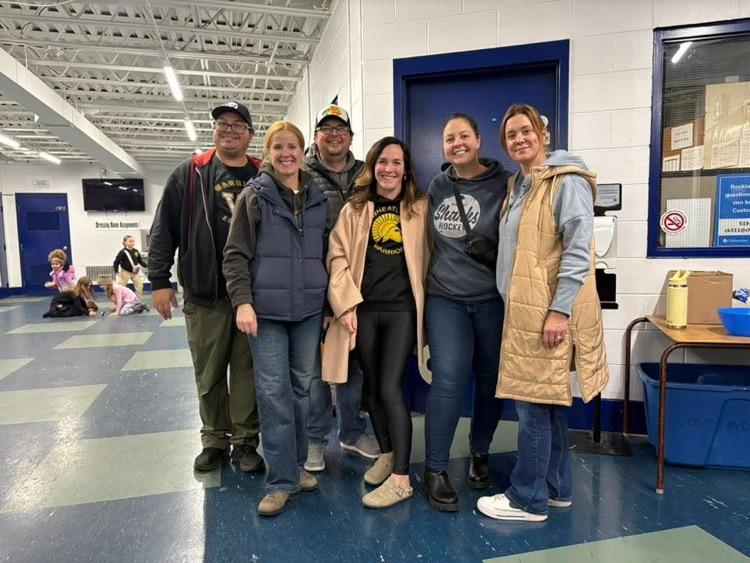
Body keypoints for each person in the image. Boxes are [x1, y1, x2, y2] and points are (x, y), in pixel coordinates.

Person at [476, 103, 608, 522]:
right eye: (511, 134)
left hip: (544, 311)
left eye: (525, 131)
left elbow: (577, 251)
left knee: (532, 405)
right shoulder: (521, 185)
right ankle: (555, 488)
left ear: (543, 134)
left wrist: (558, 311)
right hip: (524, 308)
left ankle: (527, 499)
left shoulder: (564, 181)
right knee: (548, 403)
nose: (519, 139)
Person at [148, 101, 264, 474]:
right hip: (205, 292)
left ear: (249, 133)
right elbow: (163, 228)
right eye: (222, 124)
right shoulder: (191, 173)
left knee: (247, 373)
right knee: (210, 372)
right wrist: (160, 281)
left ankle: (245, 441)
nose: (229, 130)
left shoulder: (263, 174)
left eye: (237, 125)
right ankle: (214, 438)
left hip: (251, 295)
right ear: (214, 131)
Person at [223, 120, 329, 517]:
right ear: (268, 153)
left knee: (303, 389)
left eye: (292, 146)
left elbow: (328, 255)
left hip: (308, 311)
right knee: (274, 395)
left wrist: (330, 307)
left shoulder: (318, 197)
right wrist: (242, 302)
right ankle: (280, 480)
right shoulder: (254, 196)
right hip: (264, 313)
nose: (286, 153)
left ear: (303, 151)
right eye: (277, 147)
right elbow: (234, 255)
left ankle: (297, 466)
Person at [322, 137, 429, 508]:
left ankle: (402, 476)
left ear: (406, 169)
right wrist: (345, 304)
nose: (389, 169)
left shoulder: (419, 208)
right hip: (363, 310)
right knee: (371, 389)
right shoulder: (355, 209)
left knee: (389, 388)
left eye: (397, 162)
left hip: (401, 311)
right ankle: (386, 452)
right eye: (383, 161)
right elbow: (337, 257)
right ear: (373, 165)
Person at [423, 112, 512, 512]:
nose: (456, 143)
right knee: (448, 378)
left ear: (478, 140)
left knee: (491, 378)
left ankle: (480, 452)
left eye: (463, 136)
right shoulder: (438, 185)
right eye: (448, 138)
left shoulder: (506, 183)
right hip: (445, 296)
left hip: (491, 297)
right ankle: (436, 468)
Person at [303, 104, 379, 473]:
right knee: (318, 370)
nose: (334, 134)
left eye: (340, 128)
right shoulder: (301, 174)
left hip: (358, 285)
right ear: (316, 135)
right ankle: (315, 440)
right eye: (325, 128)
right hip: (314, 284)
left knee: (353, 365)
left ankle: (351, 430)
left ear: (350, 135)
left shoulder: (367, 173)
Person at [113, 234, 148, 298]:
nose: (132, 242)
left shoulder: (136, 251)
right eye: (130, 241)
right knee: (121, 286)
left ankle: (137, 300)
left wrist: (147, 266)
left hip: (135, 272)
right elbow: (116, 262)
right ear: (125, 243)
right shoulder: (122, 252)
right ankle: (119, 299)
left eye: (133, 241)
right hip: (125, 272)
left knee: (140, 286)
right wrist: (116, 271)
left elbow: (140, 261)